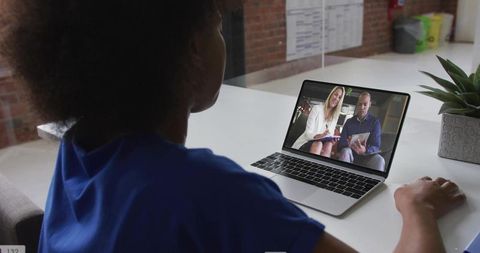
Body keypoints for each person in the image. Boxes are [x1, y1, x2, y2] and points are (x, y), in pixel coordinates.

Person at [0, 0, 466, 252]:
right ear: (190, 49)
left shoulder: (76, 149)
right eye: (218, 24)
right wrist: (415, 207)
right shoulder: (208, 187)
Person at [337, 92, 385, 171]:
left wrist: (365, 150)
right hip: (350, 153)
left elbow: (376, 146)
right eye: (360, 104)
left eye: (365, 104)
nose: (362, 107)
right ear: (357, 104)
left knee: (380, 160)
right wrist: (348, 144)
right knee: (345, 151)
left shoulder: (375, 122)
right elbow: (341, 142)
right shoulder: (349, 122)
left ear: (370, 104)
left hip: (367, 156)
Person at [292, 86, 345, 157]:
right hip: (306, 142)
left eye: (339, 97)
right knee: (318, 143)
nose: (336, 98)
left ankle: (320, 167)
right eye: (335, 94)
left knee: (329, 144)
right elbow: (308, 133)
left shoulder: (334, 117)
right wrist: (320, 136)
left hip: (321, 145)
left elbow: (330, 134)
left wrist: (332, 141)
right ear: (331, 94)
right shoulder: (316, 109)